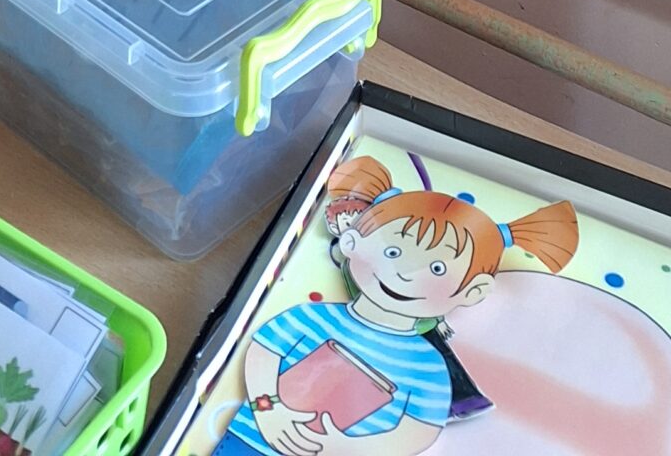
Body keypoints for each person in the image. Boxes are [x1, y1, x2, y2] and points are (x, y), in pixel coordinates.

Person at [224, 158, 578, 452]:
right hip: (248, 441)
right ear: (351, 242)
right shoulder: (313, 318)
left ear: (473, 291)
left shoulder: (428, 367)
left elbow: (414, 433)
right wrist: (268, 411)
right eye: (393, 252)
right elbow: (265, 352)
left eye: (437, 269)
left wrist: (346, 448)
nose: (405, 273)